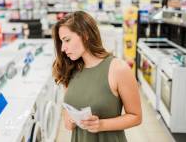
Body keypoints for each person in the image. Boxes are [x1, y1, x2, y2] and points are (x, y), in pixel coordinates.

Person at [52, 11, 142, 142]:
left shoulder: (118, 69)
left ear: (85, 35)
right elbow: (67, 122)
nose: (63, 48)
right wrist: (70, 120)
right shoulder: (70, 70)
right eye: (61, 42)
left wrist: (101, 125)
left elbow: (136, 116)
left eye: (67, 40)